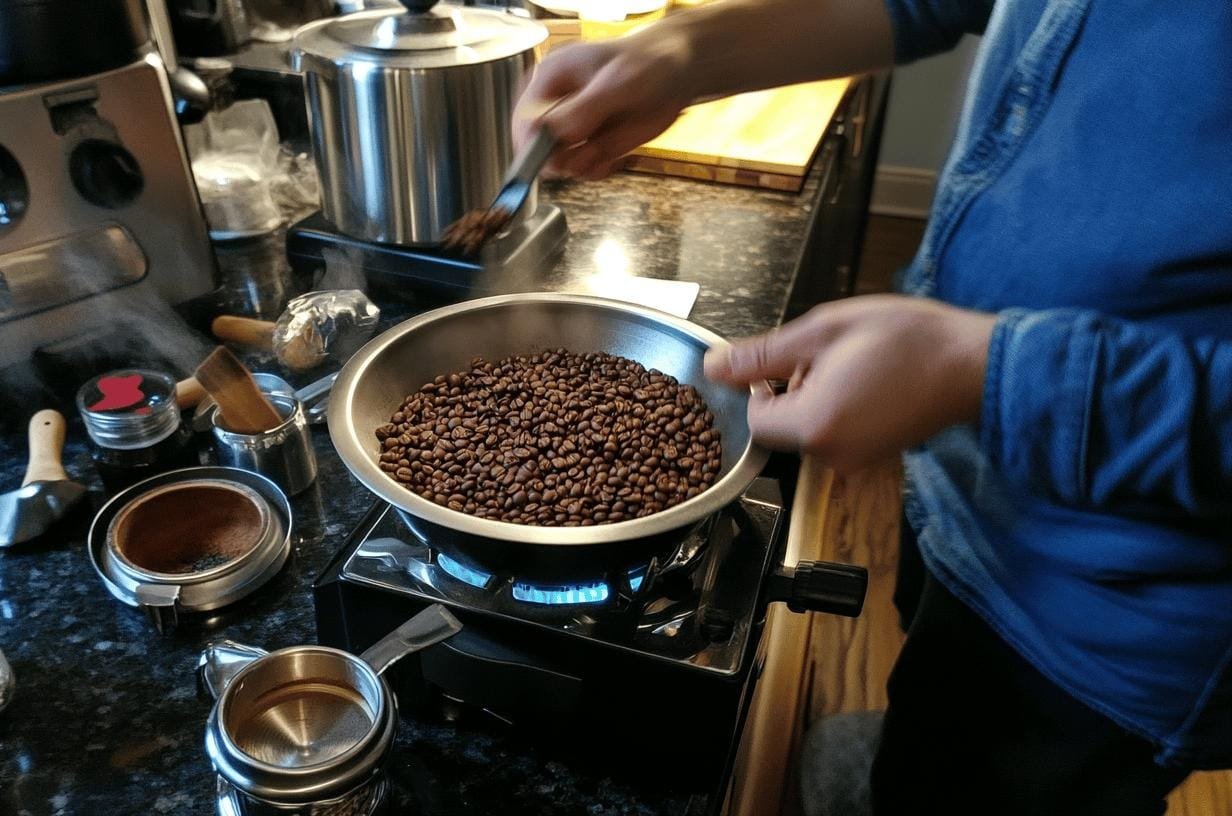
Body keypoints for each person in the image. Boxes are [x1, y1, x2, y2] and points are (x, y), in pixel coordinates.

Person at [513, 1, 1232, 813]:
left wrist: (994, 373)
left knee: (1019, 773)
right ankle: (914, 757)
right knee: (933, 681)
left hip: (1123, 591)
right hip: (963, 458)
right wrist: (688, 49)